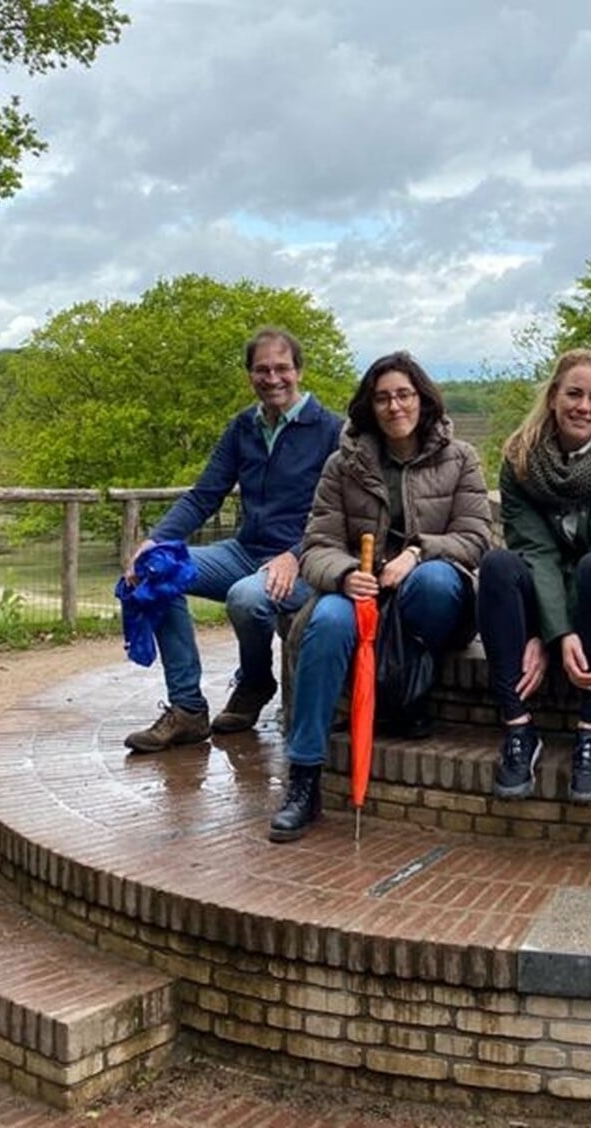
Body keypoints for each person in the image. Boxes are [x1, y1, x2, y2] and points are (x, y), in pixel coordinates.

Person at [270, 352, 493, 842]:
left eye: (404, 394)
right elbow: (317, 544)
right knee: (325, 623)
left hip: (430, 590)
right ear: (370, 406)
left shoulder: (461, 458)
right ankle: (303, 778)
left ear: (423, 398)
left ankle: (400, 695)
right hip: (360, 591)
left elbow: (477, 537)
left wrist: (418, 553)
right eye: (384, 397)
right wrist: (348, 574)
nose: (395, 406)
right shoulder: (341, 464)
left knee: (433, 585)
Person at [123, 327, 344, 753]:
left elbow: (344, 515)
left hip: (306, 560)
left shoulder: (332, 430)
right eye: (262, 369)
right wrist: (156, 542)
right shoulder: (243, 427)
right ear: (250, 376)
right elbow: (206, 494)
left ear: (299, 371)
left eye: (282, 368)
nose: (273, 378)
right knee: (157, 573)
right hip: (245, 551)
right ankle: (188, 710)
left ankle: (255, 682)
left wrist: (295, 555)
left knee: (247, 598)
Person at [476, 349, 591, 804]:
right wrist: (550, 630)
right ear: (554, 396)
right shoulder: (521, 459)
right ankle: (518, 729)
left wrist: (553, 631)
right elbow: (533, 550)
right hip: (554, 597)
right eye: (574, 394)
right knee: (498, 566)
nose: (583, 406)